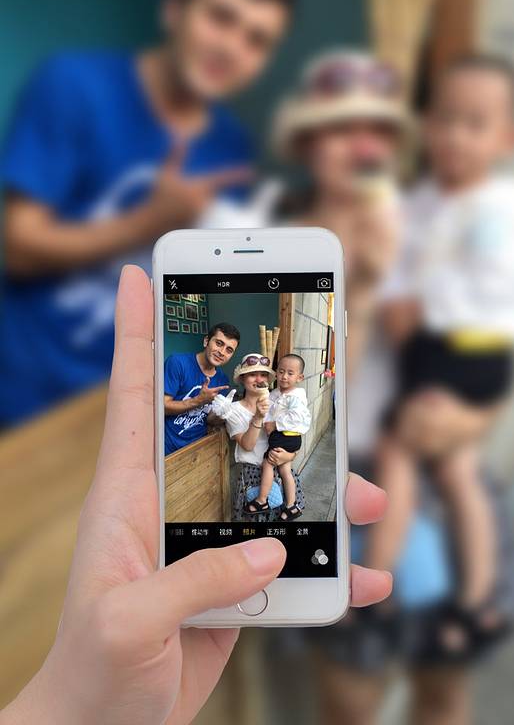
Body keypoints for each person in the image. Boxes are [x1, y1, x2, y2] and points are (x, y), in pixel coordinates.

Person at [0, 265, 391, 725]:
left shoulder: (263, 396)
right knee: (251, 536)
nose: (256, 378)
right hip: (211, 465)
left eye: (260, 372)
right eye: (249, 371)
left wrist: (271, 425)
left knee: (283, 525)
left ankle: (281, 591)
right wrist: (238, 414)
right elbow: (241, 438)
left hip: (258, 460)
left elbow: (273, 428)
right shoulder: (222, 394)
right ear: (211, 344)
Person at [0, 0, 296, 423]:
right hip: (32, 395)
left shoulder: (231, 145)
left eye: (256, 40)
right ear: (175, 9)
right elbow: (18, 247)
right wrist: (148, 221)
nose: (231, 48)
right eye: (221, 17)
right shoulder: (72, 86)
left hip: (140, 398)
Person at [368, 53, 514, 657]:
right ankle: (476, 602)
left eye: (475, 124)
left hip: (466, 350)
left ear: (508, 139)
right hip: (446, 348)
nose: (453, 136)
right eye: (443, 118)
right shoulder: (426, 197)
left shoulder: (496, 207)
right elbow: (402, 260)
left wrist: (417, 304)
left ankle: (375, 590)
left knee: (399, 450)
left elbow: (492, 284)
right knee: (457, 470)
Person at [246, 353, 311, 521]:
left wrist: (275, 425)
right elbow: (269, 410)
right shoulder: (276, 392)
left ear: (300, 377)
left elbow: (298, 418)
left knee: (268, 463)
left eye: (290, 373)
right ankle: (291, 506)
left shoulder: (296, 396)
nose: (284, 376)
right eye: (281, 371)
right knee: (285, 470)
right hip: (284, 436)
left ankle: (262, 500)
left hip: (286, 435)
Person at [164, 321, 240, 455]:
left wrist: (222, 414)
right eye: (219, 343)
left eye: (229, 350)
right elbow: (162, 407)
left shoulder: (222, 380)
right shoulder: (178, 363)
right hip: (167, 449)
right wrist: (199, 400)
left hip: (198, 451)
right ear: (206, 341)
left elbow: (209, 419)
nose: (222, 352)